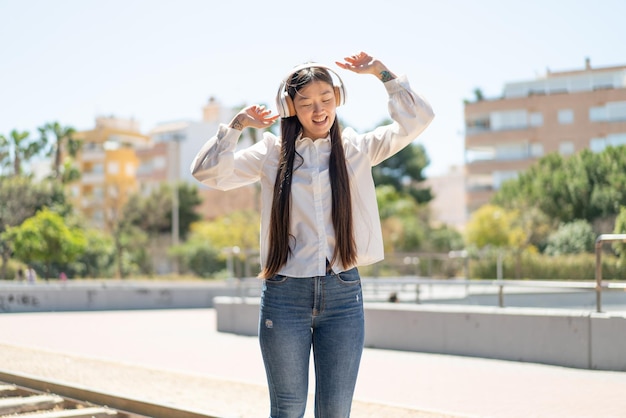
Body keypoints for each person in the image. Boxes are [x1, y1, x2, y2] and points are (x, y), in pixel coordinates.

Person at [190, 51, 434, 417]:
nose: (319, 110)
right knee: (287, 409)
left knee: (335, 411)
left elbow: (417, 121)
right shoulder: (272, 153)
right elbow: (208, 172)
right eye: (306, 103)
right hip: (285, 295)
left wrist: (381, 73)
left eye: (326, 100)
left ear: (338, 99)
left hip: (343, 294)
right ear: (290, 108)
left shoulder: (356, 149)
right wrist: (238, 124)